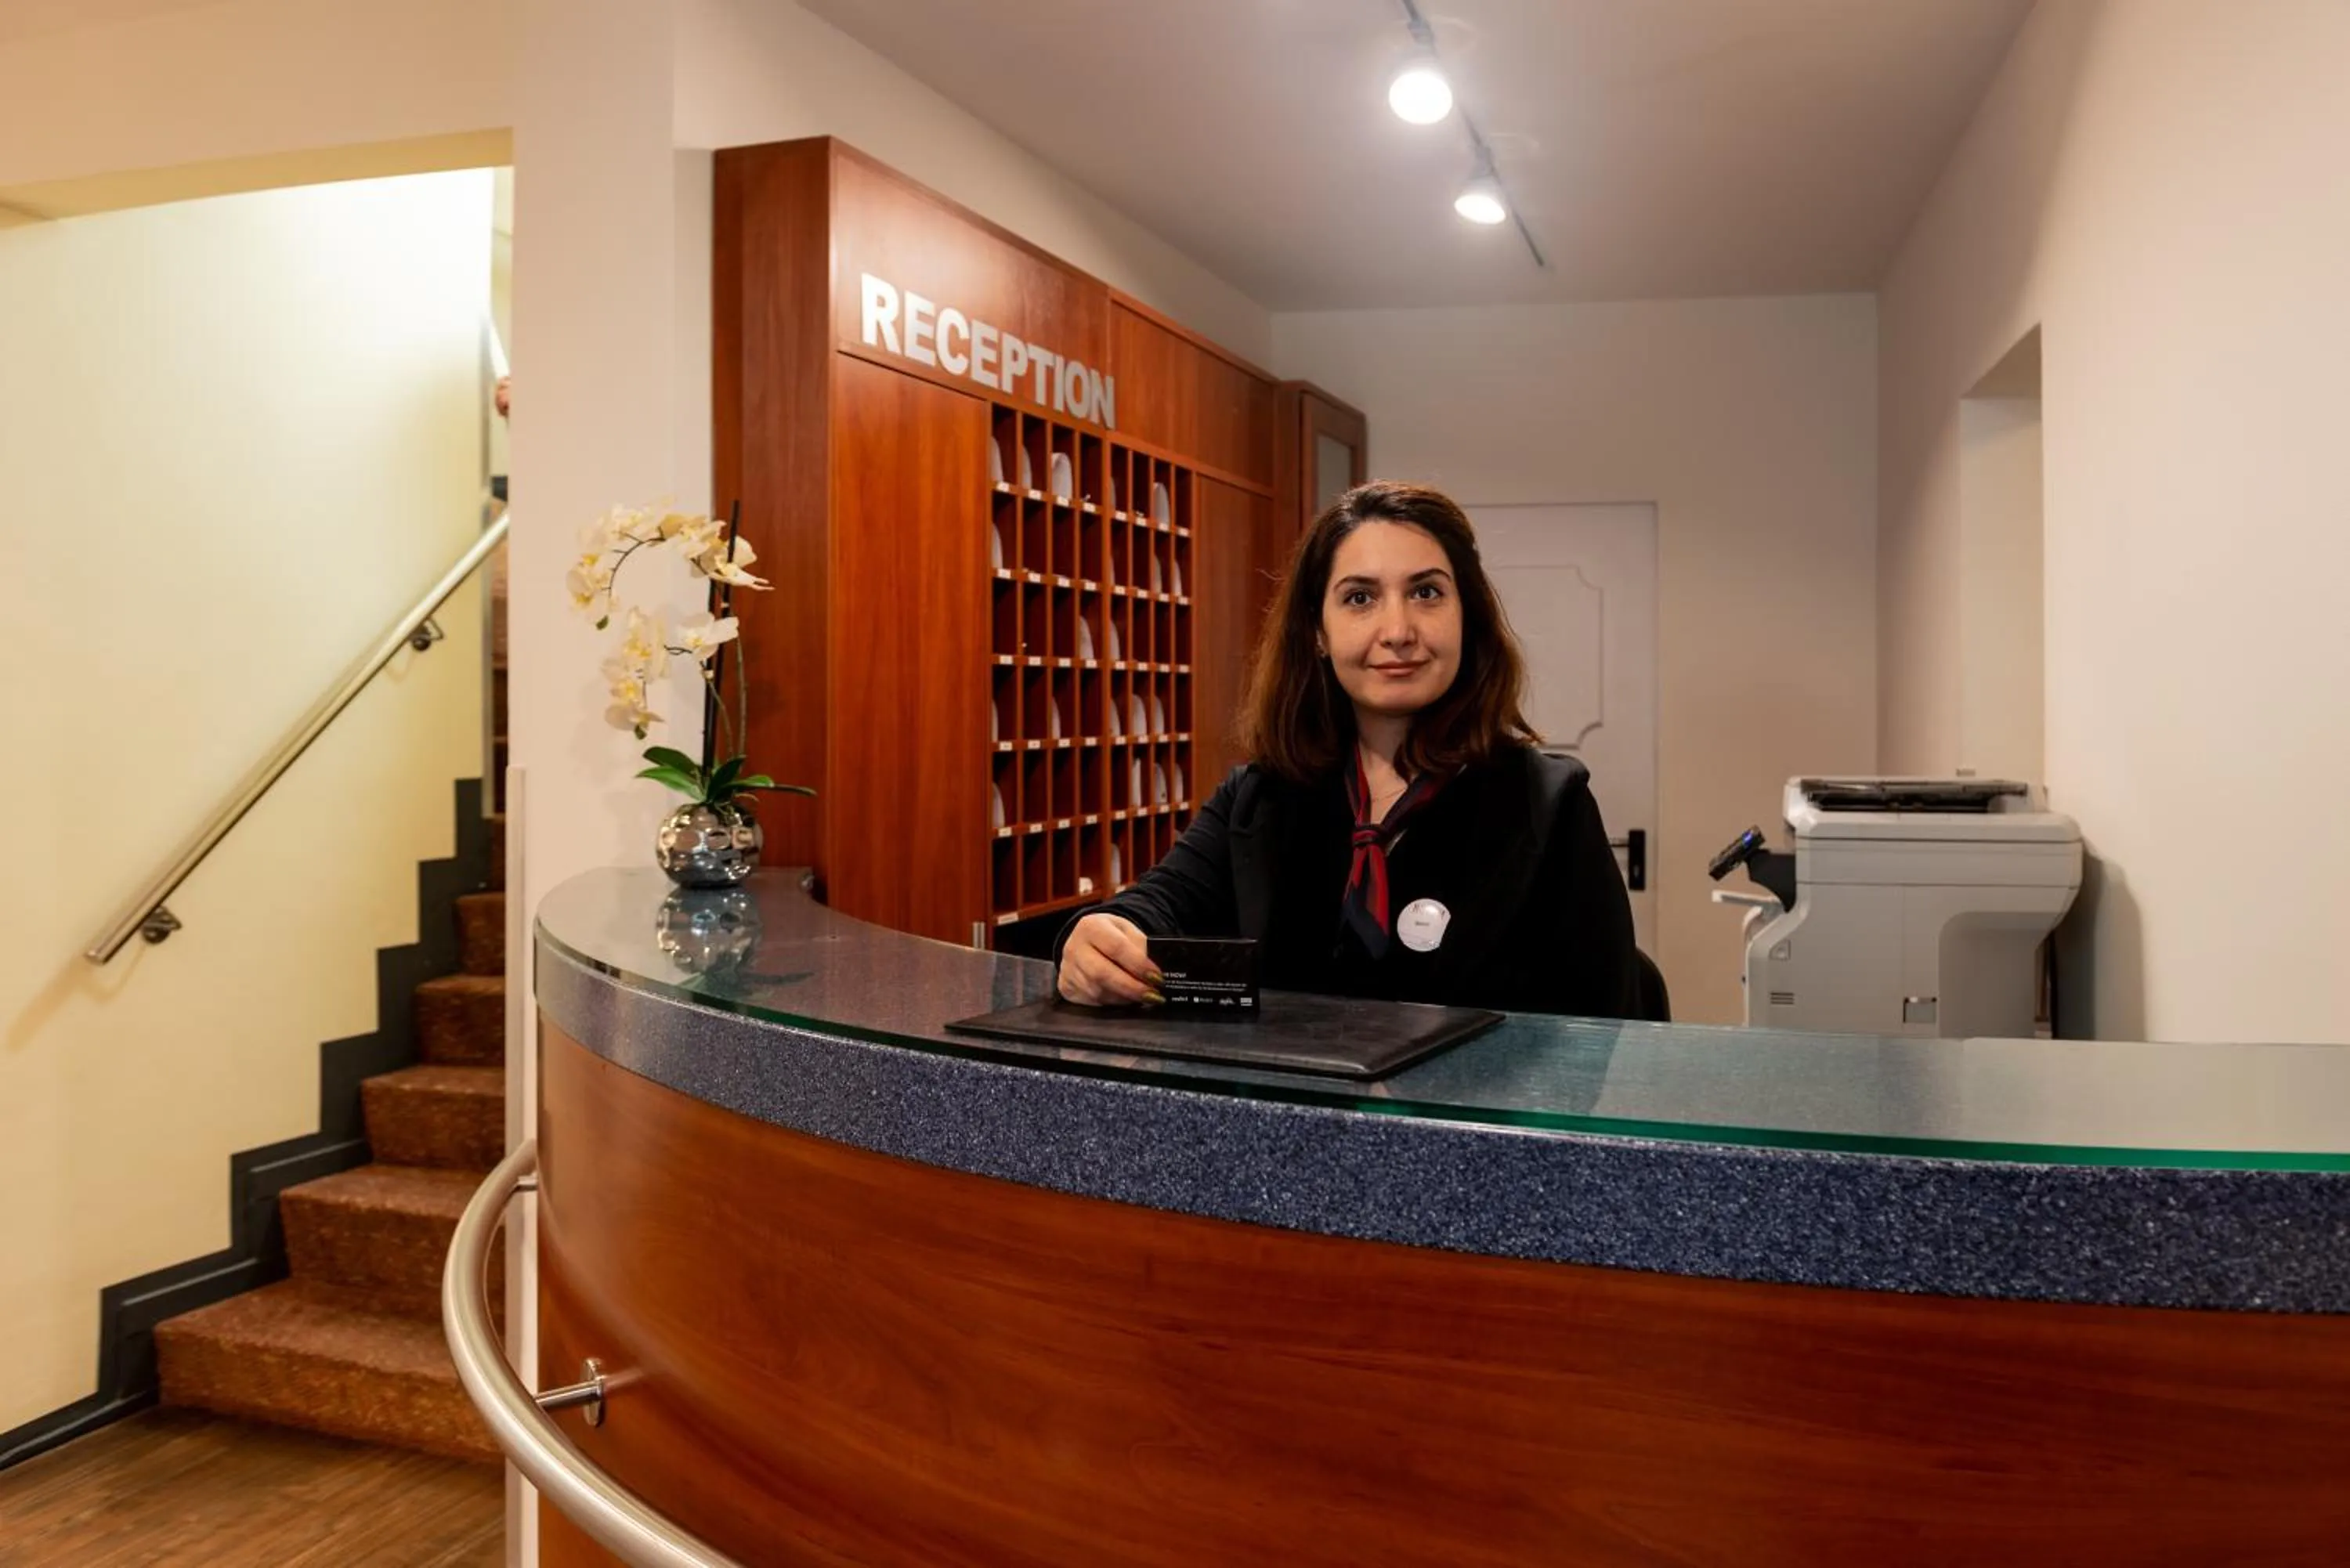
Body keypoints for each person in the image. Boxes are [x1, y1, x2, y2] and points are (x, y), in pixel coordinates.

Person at [1056, 481, 1640, 1018]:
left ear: (1468, 616)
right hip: (1288, 1128)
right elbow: (1157, 906)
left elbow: (1605, 1038)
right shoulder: (1262, 797)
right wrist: (1096, 937)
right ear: (1317, 630)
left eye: (1427, 592)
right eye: (1360, 598)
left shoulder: (1548, 805)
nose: (1398, 630)